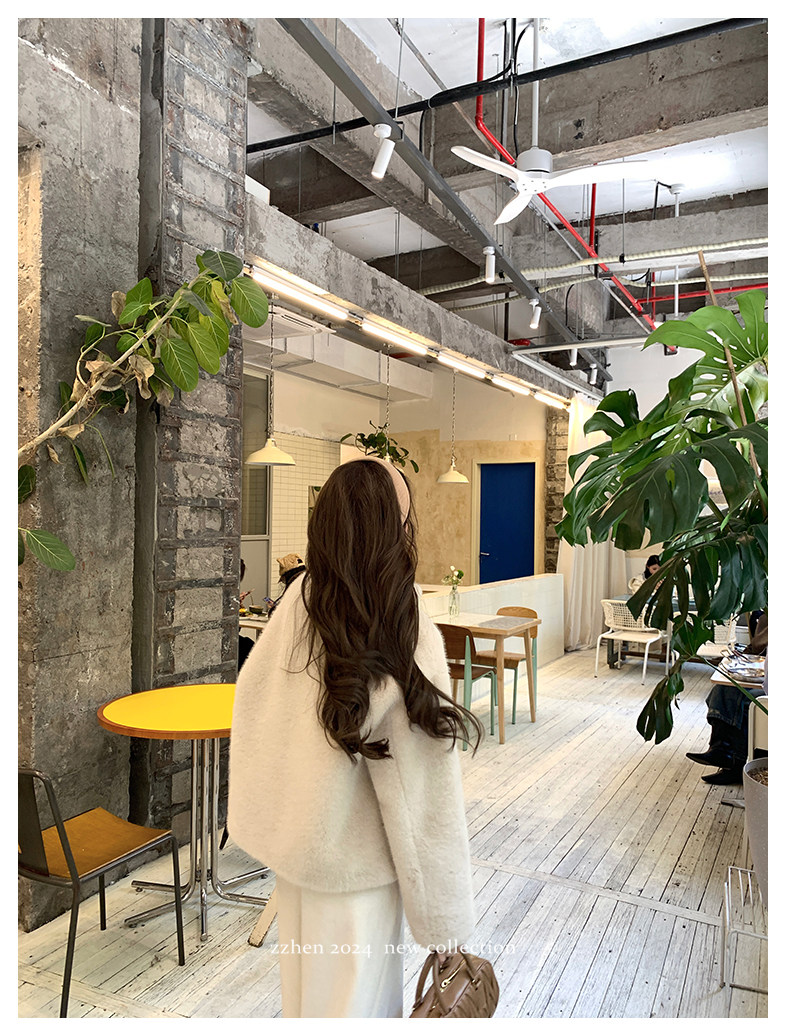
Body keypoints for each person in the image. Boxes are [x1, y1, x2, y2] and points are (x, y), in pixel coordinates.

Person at [228, 457, 483, 1018]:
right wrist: (444, 923)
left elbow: (253, 701)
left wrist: (274, 818)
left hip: (300, 859)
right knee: (353, 1009)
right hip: (357, 872)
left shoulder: (303, 597)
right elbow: (421, 787)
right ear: (393, 525)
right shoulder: (398, 612)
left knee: (308, 1006)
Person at [686, 612, 767, 784]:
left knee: (744, 702)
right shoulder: (766, 616)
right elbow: (756, 648)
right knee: (722, 690)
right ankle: (720, 750)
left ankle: (735, 764)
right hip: (764, 675)